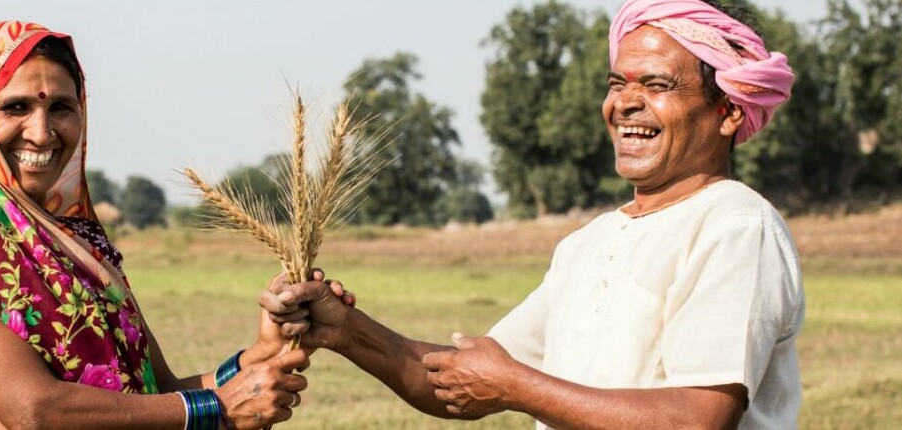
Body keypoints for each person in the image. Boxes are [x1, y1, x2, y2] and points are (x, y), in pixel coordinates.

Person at [261, 0, 804, 428]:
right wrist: (344, 330)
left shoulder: (734, 227)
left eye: (657, 85)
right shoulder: (587, 244)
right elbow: (461, 386)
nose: (626, 103)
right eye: (618, 84)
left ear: (730, 110)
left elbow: (695, 421)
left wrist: (515, 385)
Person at [0, 21, 308, 430]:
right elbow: (35, 409)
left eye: (62, 108)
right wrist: (218, 409)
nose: (42, 132)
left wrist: (256, 357)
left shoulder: (80, 242)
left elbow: (156, 389)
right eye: (15, 108)